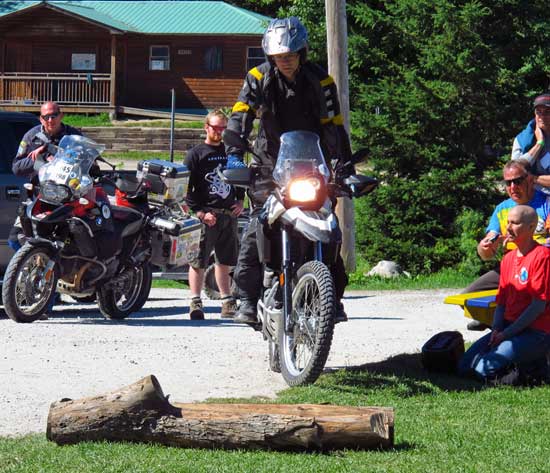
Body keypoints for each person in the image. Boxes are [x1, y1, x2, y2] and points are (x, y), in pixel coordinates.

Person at [225, 17, 354, 324]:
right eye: (279, 56)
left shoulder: (320, 81)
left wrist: (343, 164)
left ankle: (332, 297)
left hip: (313, 163)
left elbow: (334, 126)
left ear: (302, 53)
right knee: (256, 228)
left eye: (291, 55)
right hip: (270, 162)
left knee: (329, 228)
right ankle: (246, 298)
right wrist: (234, 155)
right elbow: (240, 116)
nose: (285, 61)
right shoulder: (257, 77)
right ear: (271, 57)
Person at [458, 205, 550, 385]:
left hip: (536, 331)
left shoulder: (542, 257)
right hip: (509, 328)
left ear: (531, 227)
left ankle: (535, 372)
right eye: (507, 222)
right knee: (464, 366)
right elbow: (501, 302)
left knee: (482, 370)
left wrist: (506, 334)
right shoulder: (508, 259)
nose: (508, 228)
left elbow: (537, 307)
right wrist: (497, 329)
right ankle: (524, 362)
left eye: (514, 223)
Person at [462, 159, 550, 330]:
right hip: (509, 267)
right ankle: (497, 326)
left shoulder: (546, 203)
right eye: (507, 182)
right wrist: (485, 246)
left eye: (517, 181)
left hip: (541, 266)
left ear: (530, 179)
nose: (512, 187)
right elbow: (486, 253)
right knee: (468, 297)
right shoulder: (501, 209)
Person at [184, 110, 244, 320]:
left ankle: (227, 301)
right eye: (215, 127)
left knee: (225, 260)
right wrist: (200, 213)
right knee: (198, 260)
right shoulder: (196, 154)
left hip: (228, 214)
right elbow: (185, 189)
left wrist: (240, 201)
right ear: (206, 127)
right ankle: (195, 301)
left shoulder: (232, 153)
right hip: (206, 216)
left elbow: (240, 178)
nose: (219, 132)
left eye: (223, 128)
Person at [9, 101, 81, 251]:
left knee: (70, 243)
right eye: (46, 117)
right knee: (15, 239)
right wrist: (42, 160)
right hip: (38, 198)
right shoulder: (32, 136)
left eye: (54, 115)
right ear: (41, 119)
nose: (50, 120)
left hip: (66, 200)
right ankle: (29, 270)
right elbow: (17, 167)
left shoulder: (73, 136)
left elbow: (88, 163)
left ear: (61, 116)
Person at [512, 93, 550, 193]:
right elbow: (515, 171)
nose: (542, 116)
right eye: (538, 112)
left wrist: (532, 178)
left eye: (547, 112)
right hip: (530, 195)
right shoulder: (522, 139)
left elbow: (522, 175)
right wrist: (539, 143)